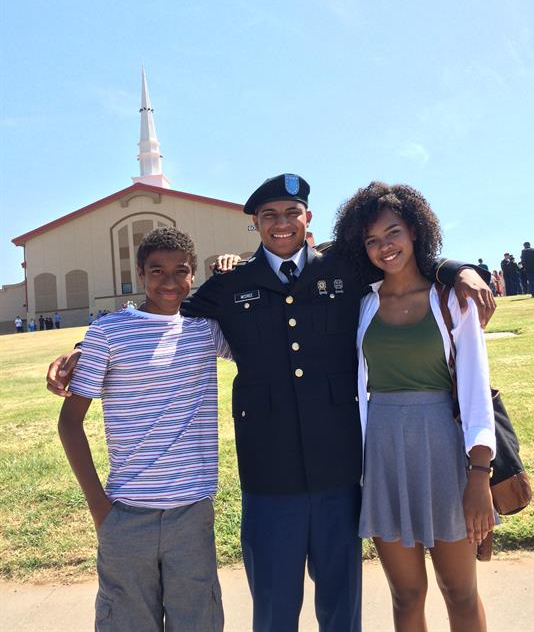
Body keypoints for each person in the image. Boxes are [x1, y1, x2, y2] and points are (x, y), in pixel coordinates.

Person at [47, 174, 494, 632]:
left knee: (343, 610)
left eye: (291, 213)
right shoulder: (230, 284)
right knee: (275, 612)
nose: (281, 225)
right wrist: (85, 349)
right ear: (255, 224)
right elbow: (164, 312)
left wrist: (459, 270)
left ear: (308, 218)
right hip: (269, 479)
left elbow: (404, 257)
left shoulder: (343, 269)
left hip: (338, 474)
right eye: (269, 216)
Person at [334, 182, 495, 632]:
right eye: (372, 240)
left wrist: (479, 476)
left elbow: (476, 392)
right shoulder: (363, 304)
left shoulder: (451, 300)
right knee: (406, 595)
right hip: (383, 456)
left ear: (415, 232)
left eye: (394, 233)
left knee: (459, 591)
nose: (385, 247)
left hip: (445, 453)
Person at [57, 227, 229, 631]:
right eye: (157, 271)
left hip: (192, 511)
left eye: (181, 271)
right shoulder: (107, 333)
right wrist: (100, 508)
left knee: (198, 620)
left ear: (193, 275)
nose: (169, 282)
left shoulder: (206, 330)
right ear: (140, 273)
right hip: (126, 513)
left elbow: (263, 334)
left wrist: (235, 270)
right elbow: (69, 424)